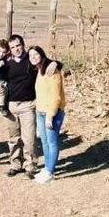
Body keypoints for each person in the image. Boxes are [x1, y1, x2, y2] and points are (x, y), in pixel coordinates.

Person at [4, 34, 58, 180]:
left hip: (28, 104)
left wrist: (56, 64)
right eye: (13, 47)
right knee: (13, 138)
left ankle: (31, 165)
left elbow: (46, 62)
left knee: (29, 138)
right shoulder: (6, 62)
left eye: (18, 46)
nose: (16, 49)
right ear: (10, 49)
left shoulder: (30, 59)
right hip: (11, 105)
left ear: (23, 45)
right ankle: (15, 164)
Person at [28, 46, 66, 184]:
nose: (33, 57)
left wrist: (50, 115)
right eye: (30, 55)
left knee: (52, 142)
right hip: (40, 112)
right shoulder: (38, 70)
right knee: (44, 142)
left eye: (36, 54)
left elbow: (56, 97)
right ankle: (47, 168)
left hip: (53, 113)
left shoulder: (52, 70)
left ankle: (50, 172)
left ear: (42, 55)